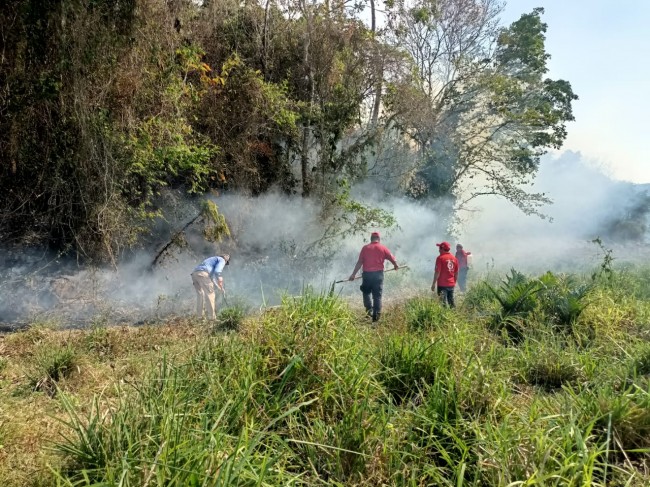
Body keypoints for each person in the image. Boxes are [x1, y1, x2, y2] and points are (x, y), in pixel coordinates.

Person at [349, 232, 399, 322]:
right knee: (377, 296)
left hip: (367, 275)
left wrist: (353, 274)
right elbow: (392, 257)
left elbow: (360, 262)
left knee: (366, 293)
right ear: (378, 239)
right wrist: (395, 265)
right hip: (378, 275)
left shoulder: (365, 248)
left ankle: (369, 311)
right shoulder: (383, 248)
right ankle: (376, 317)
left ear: (371, 239)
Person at [191, 254, 230, 319]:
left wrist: (220, 288)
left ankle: (199, 317)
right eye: (225, 263)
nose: (224, 265)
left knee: (201, 295)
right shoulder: (222, 260)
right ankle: (212, 318)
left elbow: (212, 279)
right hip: (203, 274)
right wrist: (220, 277)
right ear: (226, 260)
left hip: (195, 274)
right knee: (210, 294)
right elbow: (217, 271)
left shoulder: (212, 260)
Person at [431, 242, 458, 308]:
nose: (439, 250)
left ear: (442, 249)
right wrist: (454, 282)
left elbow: (437, 272)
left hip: (442, 285)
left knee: (442, 303)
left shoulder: (440, 258)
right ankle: (454, 315)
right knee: (451, 302)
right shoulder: (454, 258)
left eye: (440, 248)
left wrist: (433, 284)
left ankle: (444, 316)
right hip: (451, 284)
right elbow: (456, 273)